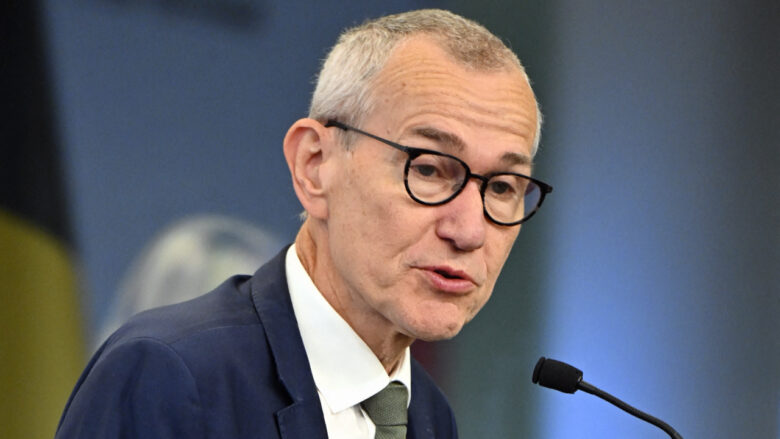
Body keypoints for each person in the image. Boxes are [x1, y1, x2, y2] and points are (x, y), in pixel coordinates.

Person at [55, 9, 552, 439]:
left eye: (502, 187)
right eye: (428, 169)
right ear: (314, 166)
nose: (468, 232)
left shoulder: (429, 415)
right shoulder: (170, 375)